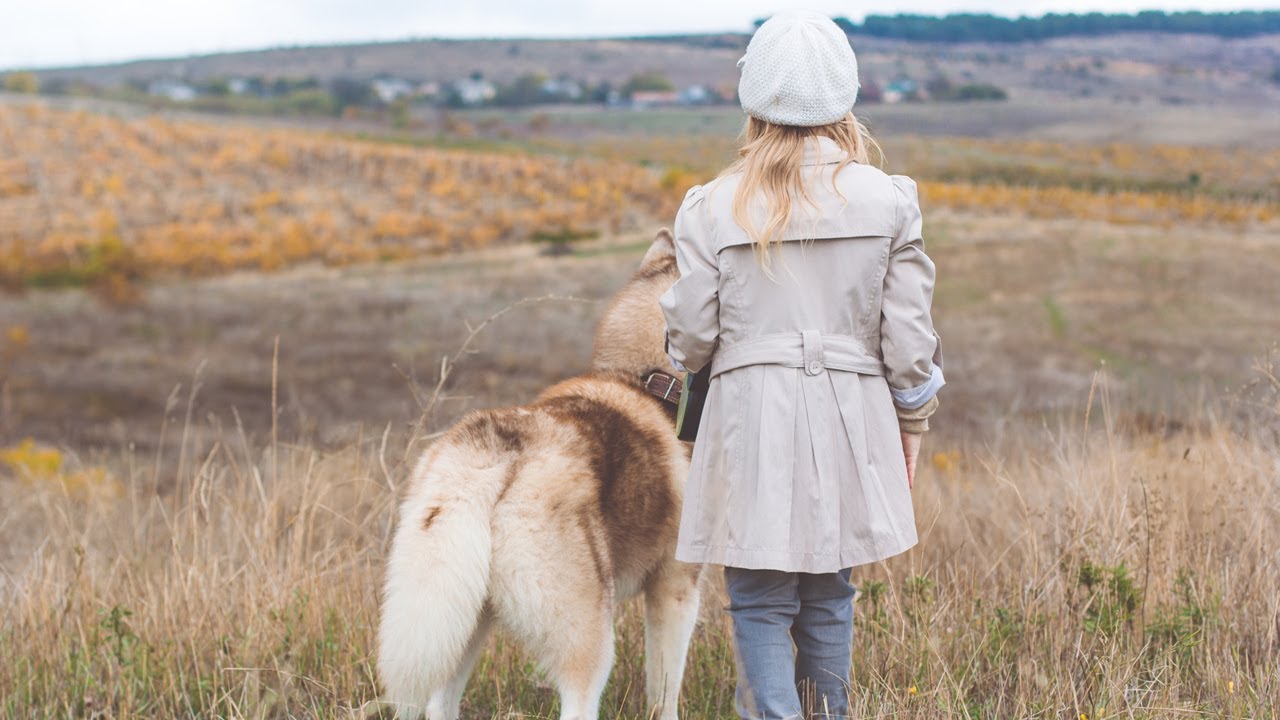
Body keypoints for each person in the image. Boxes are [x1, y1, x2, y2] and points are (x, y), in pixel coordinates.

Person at [659, 10, 944, 719]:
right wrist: (912, 424)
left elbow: (691, 340)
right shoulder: (889, 199)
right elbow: (910, 343)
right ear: (844, 96)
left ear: (754, 98)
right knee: (828, 591)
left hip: (748, 420)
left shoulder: (710, 207)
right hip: (852, 419)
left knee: (758, 597)